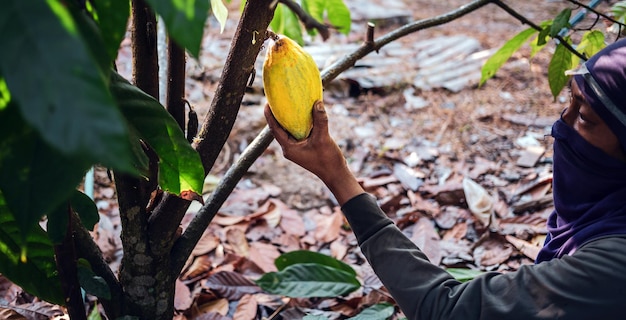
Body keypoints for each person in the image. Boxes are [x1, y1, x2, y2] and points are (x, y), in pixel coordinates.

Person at [264, 37, 626, 319]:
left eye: (586, 119)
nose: (563, 122)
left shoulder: (612, 268)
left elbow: (448, 309)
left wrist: (335, 172)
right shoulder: (601, 219)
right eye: (570, 100)